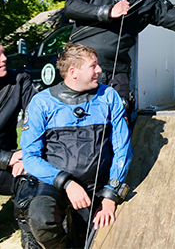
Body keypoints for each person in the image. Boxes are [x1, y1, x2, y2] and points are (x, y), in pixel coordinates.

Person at [18, 44, 133, 249]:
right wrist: (66, 183)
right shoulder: (42, 102)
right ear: (73, 72)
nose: (100, 71)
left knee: (90, 239)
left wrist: (110, 195)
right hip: (55, 182)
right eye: (93, 66)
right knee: (40, 219)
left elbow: (122, 149)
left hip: (97, 185)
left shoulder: (109, 96)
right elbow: (30, 157)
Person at [0, 43, 34, 195]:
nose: (4, 58)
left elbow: (38, 121)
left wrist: (30, 154)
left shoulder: (18, 82)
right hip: (7, 158)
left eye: (3, 53)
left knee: (32, 180)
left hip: (11, 162)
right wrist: (7, 158)